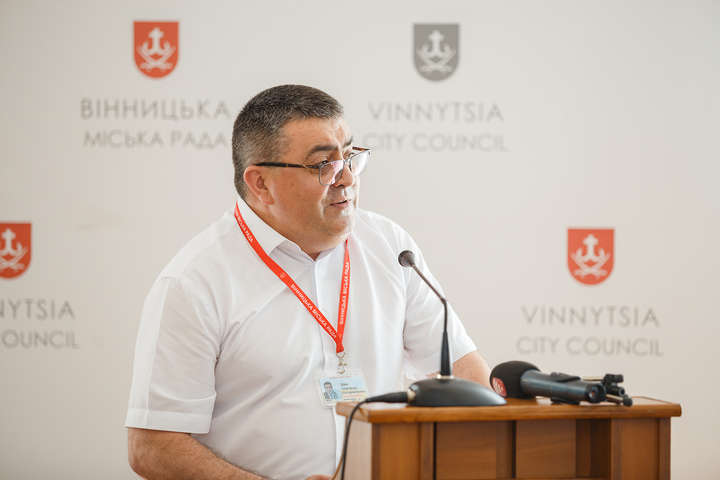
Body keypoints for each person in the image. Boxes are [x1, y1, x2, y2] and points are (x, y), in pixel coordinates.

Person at [125, 85, 492, 480]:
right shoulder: (194, 282)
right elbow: (152, 446)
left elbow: (464, 370)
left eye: (349, 156)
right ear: (260, 183)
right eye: (323, 165)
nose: (347, 178)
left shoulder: (390, 246)